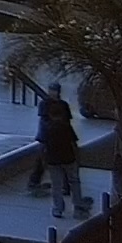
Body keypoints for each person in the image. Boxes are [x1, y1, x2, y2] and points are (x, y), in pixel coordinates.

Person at [38, 92, 94, 220]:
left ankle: (58, 209)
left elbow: (42, 146)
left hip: (53, 160)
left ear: (50, 115)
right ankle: (77, 205)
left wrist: (43, 161)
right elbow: (74, 144)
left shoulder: (46, 129)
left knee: (56, 185)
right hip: (69, 158)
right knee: (74, 182)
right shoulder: (66, 127)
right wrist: (78, 158)